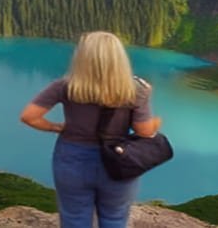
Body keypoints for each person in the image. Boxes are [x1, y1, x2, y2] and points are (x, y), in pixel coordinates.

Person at [19, 31, 162, 228]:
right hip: (118, 160)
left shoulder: (65, 86)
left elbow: (29, 117)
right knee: (115, 218)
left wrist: (56, 127)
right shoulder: (136, 90)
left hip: (72, 159)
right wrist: (156, 122)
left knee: (74, 218)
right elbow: (144, 132)